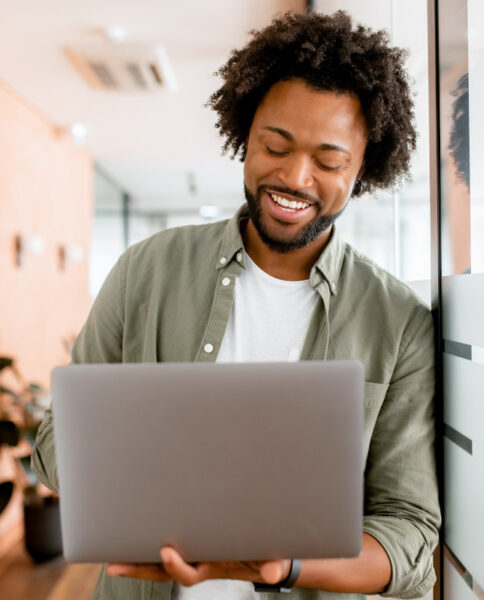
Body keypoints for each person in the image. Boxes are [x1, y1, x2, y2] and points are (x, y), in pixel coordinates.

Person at [32, 10, 440, 600]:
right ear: (244, 134)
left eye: (329, 162)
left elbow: (408, 533)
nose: (295, 177)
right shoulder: (144, 271)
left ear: (363, 168)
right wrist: (132, 492)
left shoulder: (398, 323)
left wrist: (286, 566)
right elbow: (52, 446)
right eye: (275, 145)